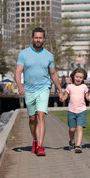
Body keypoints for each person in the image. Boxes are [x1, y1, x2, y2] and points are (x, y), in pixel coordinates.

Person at [15, 27, 63, 156]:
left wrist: (60, 90)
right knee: (32, 118)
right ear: (32, 38)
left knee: (41, 115)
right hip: (29, 89)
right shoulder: (23, 54)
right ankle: (35, 140)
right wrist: (20, 86)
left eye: (40, 38)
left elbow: (53, 74)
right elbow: (18, 72)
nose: (38, 40)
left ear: (44, 39)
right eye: (36, 37)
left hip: (43, 88)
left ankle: (40, 147)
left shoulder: (49, 55)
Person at [60, 68, 90, 153]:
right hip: (71, 111)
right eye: (77, 77)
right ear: (73, 77)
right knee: (72, 129)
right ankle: (72, 141)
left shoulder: (84, 87)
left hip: (82, 110)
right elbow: (65, 96)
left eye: (81, 77)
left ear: (83, 78)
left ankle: (78, 145)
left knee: (80, 128)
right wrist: (63, 99)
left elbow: (87, 97)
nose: (78, 79)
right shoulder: (69, 87)